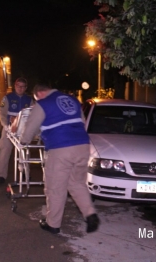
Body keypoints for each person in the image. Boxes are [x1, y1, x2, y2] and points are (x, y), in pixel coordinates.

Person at [19, 83, 100, 234]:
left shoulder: (43, 103)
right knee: (77, 183)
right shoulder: (73, 100)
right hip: (82, 146)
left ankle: (53, 224)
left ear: (39, 94)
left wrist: (24, 141)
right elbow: (81, 122)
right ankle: (90, 214)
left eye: (36, 99)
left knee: (55, 188)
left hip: (60, 148)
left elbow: (31, 125)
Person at [0, 77, 33, 184]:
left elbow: (32, 115)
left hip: (23, 130)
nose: (20, 88)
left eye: (22, 86)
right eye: (18, 86)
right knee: (5, 150)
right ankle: (1, 175)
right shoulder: (7, 98)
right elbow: (2, 113)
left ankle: (26, 173)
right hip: (9, 129)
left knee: (24, 151)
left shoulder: (29, 100)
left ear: (26, 88)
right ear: (14, 86)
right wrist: (6, 125)